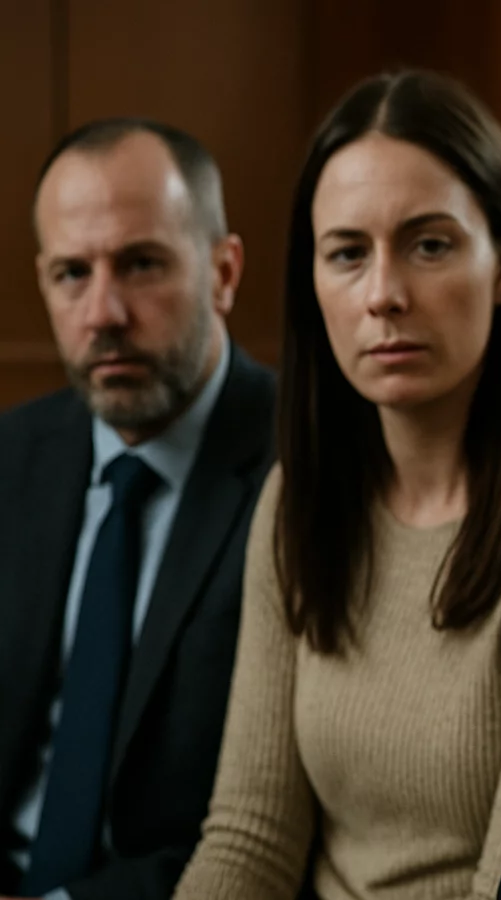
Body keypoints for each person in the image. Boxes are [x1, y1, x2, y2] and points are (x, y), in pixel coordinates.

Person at [171, 71, 501, 900]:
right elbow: (250, 839)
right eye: (347, 253)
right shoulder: (299, 497)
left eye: (429, 245)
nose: (384, 295)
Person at [0, 119, 274, 900]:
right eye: (71, 273)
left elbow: (266, 834)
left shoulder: (308, 469)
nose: (103, 312)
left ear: (223, 272)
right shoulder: (12, 459)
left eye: (141, 264)